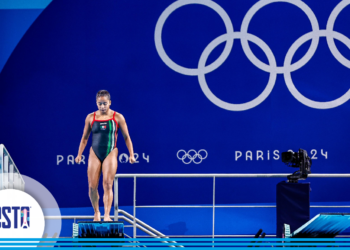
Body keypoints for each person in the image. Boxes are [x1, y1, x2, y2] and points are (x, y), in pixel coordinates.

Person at [75, 90, 136, 221]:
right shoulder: (90, 117)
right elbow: (84, 138)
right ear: (96, 103)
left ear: (110, 103)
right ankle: (97, 212)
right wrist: (79, 154)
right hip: (94, 153)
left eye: (104, 103)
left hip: (111, 151)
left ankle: (107, 215)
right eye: (99, 103)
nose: (102, 106)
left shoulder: (118, 117)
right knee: (92, 186)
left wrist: (131, 154)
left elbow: (126, 137)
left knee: (108, 184)